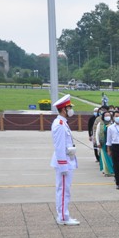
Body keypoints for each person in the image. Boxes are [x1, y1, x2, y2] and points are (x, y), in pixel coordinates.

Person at [50, 95, 79, 225]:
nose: (71, 110)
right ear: (63, 109)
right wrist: (63, 165)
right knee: (63, 191)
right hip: (64, 162)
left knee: (64, 190)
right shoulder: (60, 124)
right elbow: (59, 146)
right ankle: (63, 217)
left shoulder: (63, 123)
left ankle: (63, 215)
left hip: (67, 160)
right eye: (69, 107)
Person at [106, 109, 119, 189]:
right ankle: (118, 181)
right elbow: (109, 140)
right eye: (116, 116)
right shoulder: (110, 128)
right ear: (113, 118)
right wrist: (109, 150)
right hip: (115, 146)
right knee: (116, 165)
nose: (118, 118)